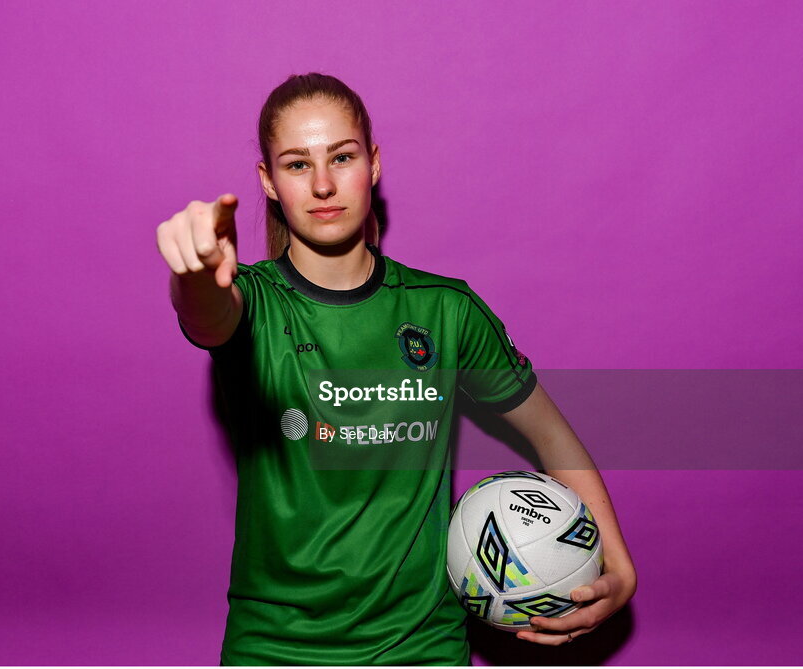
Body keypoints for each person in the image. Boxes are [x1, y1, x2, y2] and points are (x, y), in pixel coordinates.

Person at [156, 72, 637, 665]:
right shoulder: (253, 303)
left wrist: (621, 568)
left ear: (374, 164)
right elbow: (208, 317)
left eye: (342, 156)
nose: (324, 183)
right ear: (269, 182)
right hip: (275, 649)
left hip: (421, 647)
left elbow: (550, 434)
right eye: (298, 164)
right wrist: (196, 274)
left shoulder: (445, 310)